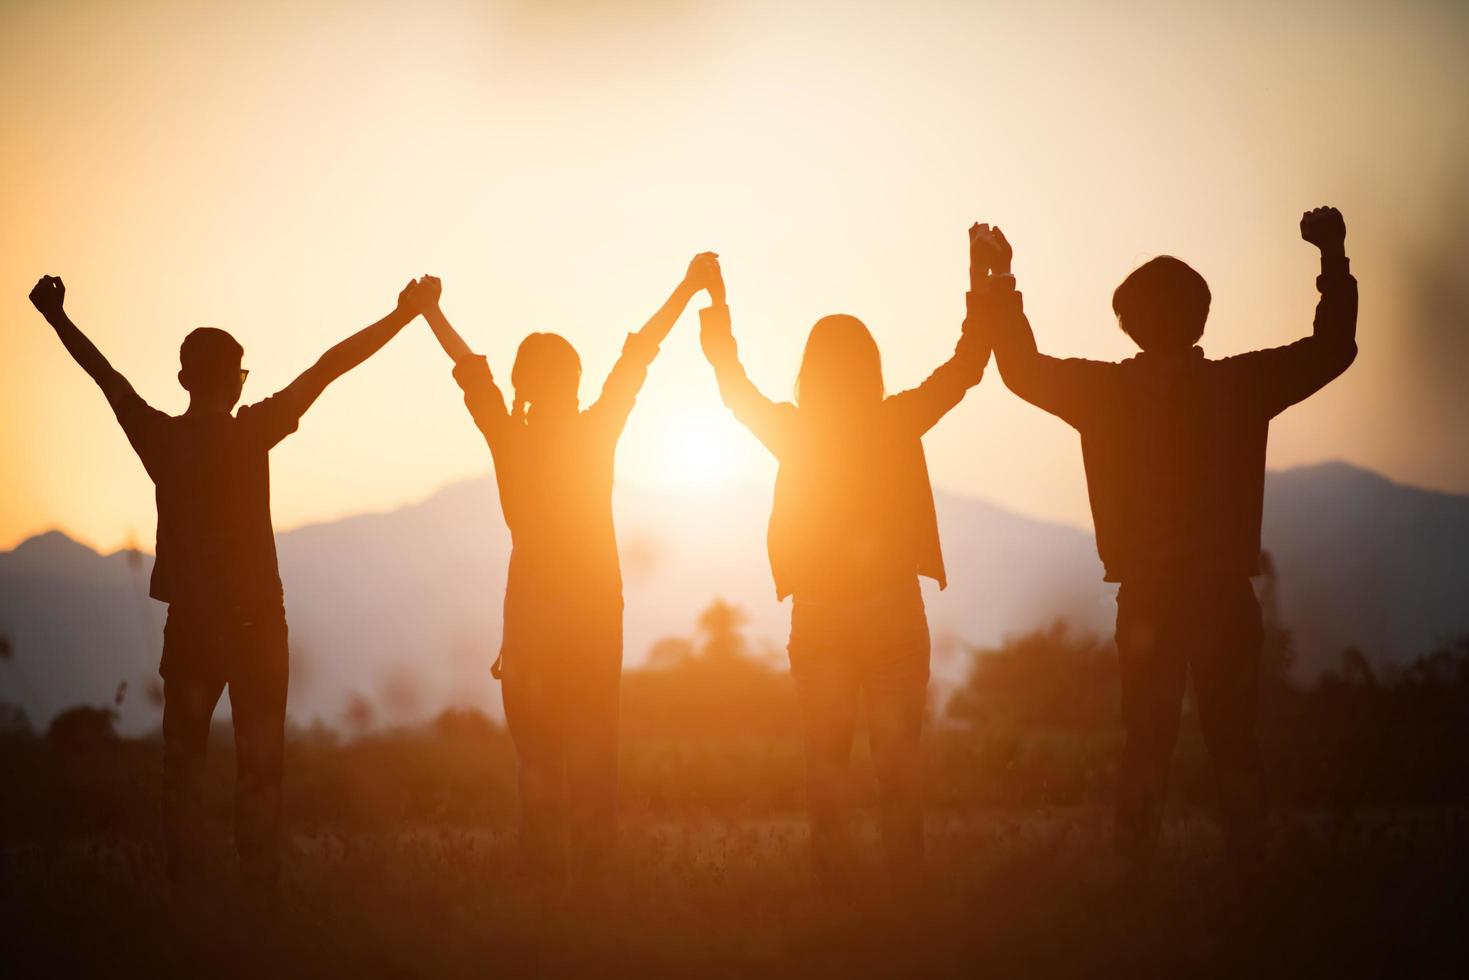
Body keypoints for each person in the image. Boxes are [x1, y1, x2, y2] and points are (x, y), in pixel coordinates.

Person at [971, 208, 1358, 871]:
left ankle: (1134, 882)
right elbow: (1331, 349)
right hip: (1222, 596)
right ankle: (1251, 878)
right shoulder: (1237, 386)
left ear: (1127, 322)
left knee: (1145, 744)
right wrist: (1331, 258)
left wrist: (999, 277)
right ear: (1199, 319)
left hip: (1147, 598)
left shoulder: (1104, 392)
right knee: (1233, 744)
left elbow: (1018, 367)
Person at [27, 274, 431, 889]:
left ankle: (187, 890)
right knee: (260, 767)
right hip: (258, 628)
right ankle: (259, 892)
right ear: (237, 379)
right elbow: (330, 367)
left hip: (191, 627)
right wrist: (402, 316)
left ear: (186, 379)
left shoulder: (162, 439)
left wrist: (58, 317)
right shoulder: (253, 432)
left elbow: (106, 377)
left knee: (182, 767)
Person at [696, 244, 989, 889]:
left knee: (826, 765)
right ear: (871, 367)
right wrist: (982, 279)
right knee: (898, 766)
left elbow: (733, 388)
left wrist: (716, 308)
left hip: (821, 617)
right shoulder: (897, 419)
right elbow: (967, 368)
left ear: (810, 370)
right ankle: (903, 893)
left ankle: (830, 891)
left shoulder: (794, 430)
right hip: (892, 613)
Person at [416, 256, 717, 880]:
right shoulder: (595, 430)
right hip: (591, 617)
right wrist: (688, 288)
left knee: (538, 761)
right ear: (575, 383)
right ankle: (591, 876)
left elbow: (472, 374)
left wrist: (432, 312)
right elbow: (640, 354)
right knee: (594, 754)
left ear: (524, 385)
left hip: (531, 617)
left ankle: (543, 876)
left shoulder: (510, 433)